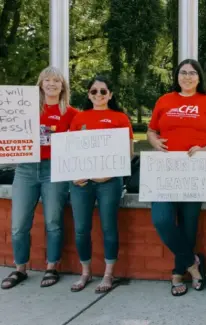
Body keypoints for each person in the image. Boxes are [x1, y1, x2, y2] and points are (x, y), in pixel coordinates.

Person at [147, 59, 206, 297]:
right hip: (166, 169)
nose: (188, 77)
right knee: (161, 219)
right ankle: (193, 263)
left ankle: (177, 272)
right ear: (177, 76)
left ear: (199, 77)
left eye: (192, 73)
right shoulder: (164, 100)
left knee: (189, 225)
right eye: (183, 72)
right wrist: (154, 141)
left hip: (195, 171)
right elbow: (152, 130)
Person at [1, 67, 78, 289]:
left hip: (54, 170)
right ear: (40, 84)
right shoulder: (24, 109)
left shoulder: (71, 113)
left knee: (53, 221)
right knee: (18, 223)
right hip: (25, 168)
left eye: (56, 80)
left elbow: (79, 146)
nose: (52, 84)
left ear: (63, 86)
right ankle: (20, 269)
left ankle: (52, 266)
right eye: (47, 80)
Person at [68, 76, 134, 293]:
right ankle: (85, 272)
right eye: (94, 91)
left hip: (109, 182)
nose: (98, 95)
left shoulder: (120, 118)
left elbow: (128, 152)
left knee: (108, 227)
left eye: (103, 91)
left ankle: (108, 274)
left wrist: (111, 173)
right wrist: (73, 174)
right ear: (88, 95)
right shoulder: (79, 118)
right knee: (81, 229)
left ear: (110, 95)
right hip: (82, 182)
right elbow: (70, 150)